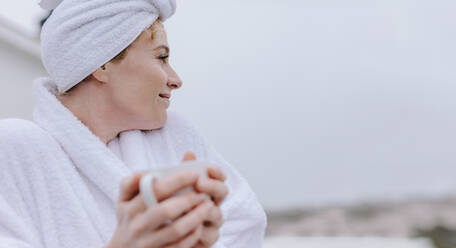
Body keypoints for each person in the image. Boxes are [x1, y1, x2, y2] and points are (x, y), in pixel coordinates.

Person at [0, 0, 266, 247]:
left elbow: (244, 224)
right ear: (101, 63)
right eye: (161, 57)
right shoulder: (14, 150)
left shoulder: (174, 136)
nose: (175, 79)